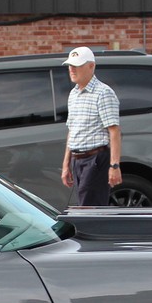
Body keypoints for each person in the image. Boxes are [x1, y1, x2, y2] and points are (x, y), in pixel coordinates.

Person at [59, 46, 122, 206]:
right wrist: (66, 164)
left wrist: (114, 165)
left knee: (90, 208)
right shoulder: (73, 94)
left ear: (91, 66)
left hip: (95, 159)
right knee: (85, 206)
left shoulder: (103, 93)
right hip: (77, 159)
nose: (72, 69)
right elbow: (72, 129)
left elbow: (114, 131)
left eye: (77, 65)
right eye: (70, 65)